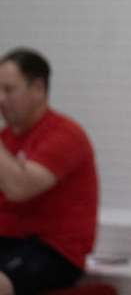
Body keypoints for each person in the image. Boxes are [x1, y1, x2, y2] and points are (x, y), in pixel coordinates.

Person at [0, 47, 99, 294]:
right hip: (9, 241)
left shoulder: (65, 135)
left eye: (9, 90)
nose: (0, 99)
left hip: (52, 251)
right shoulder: (6, 140)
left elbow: (19, 188)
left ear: (38, 89)